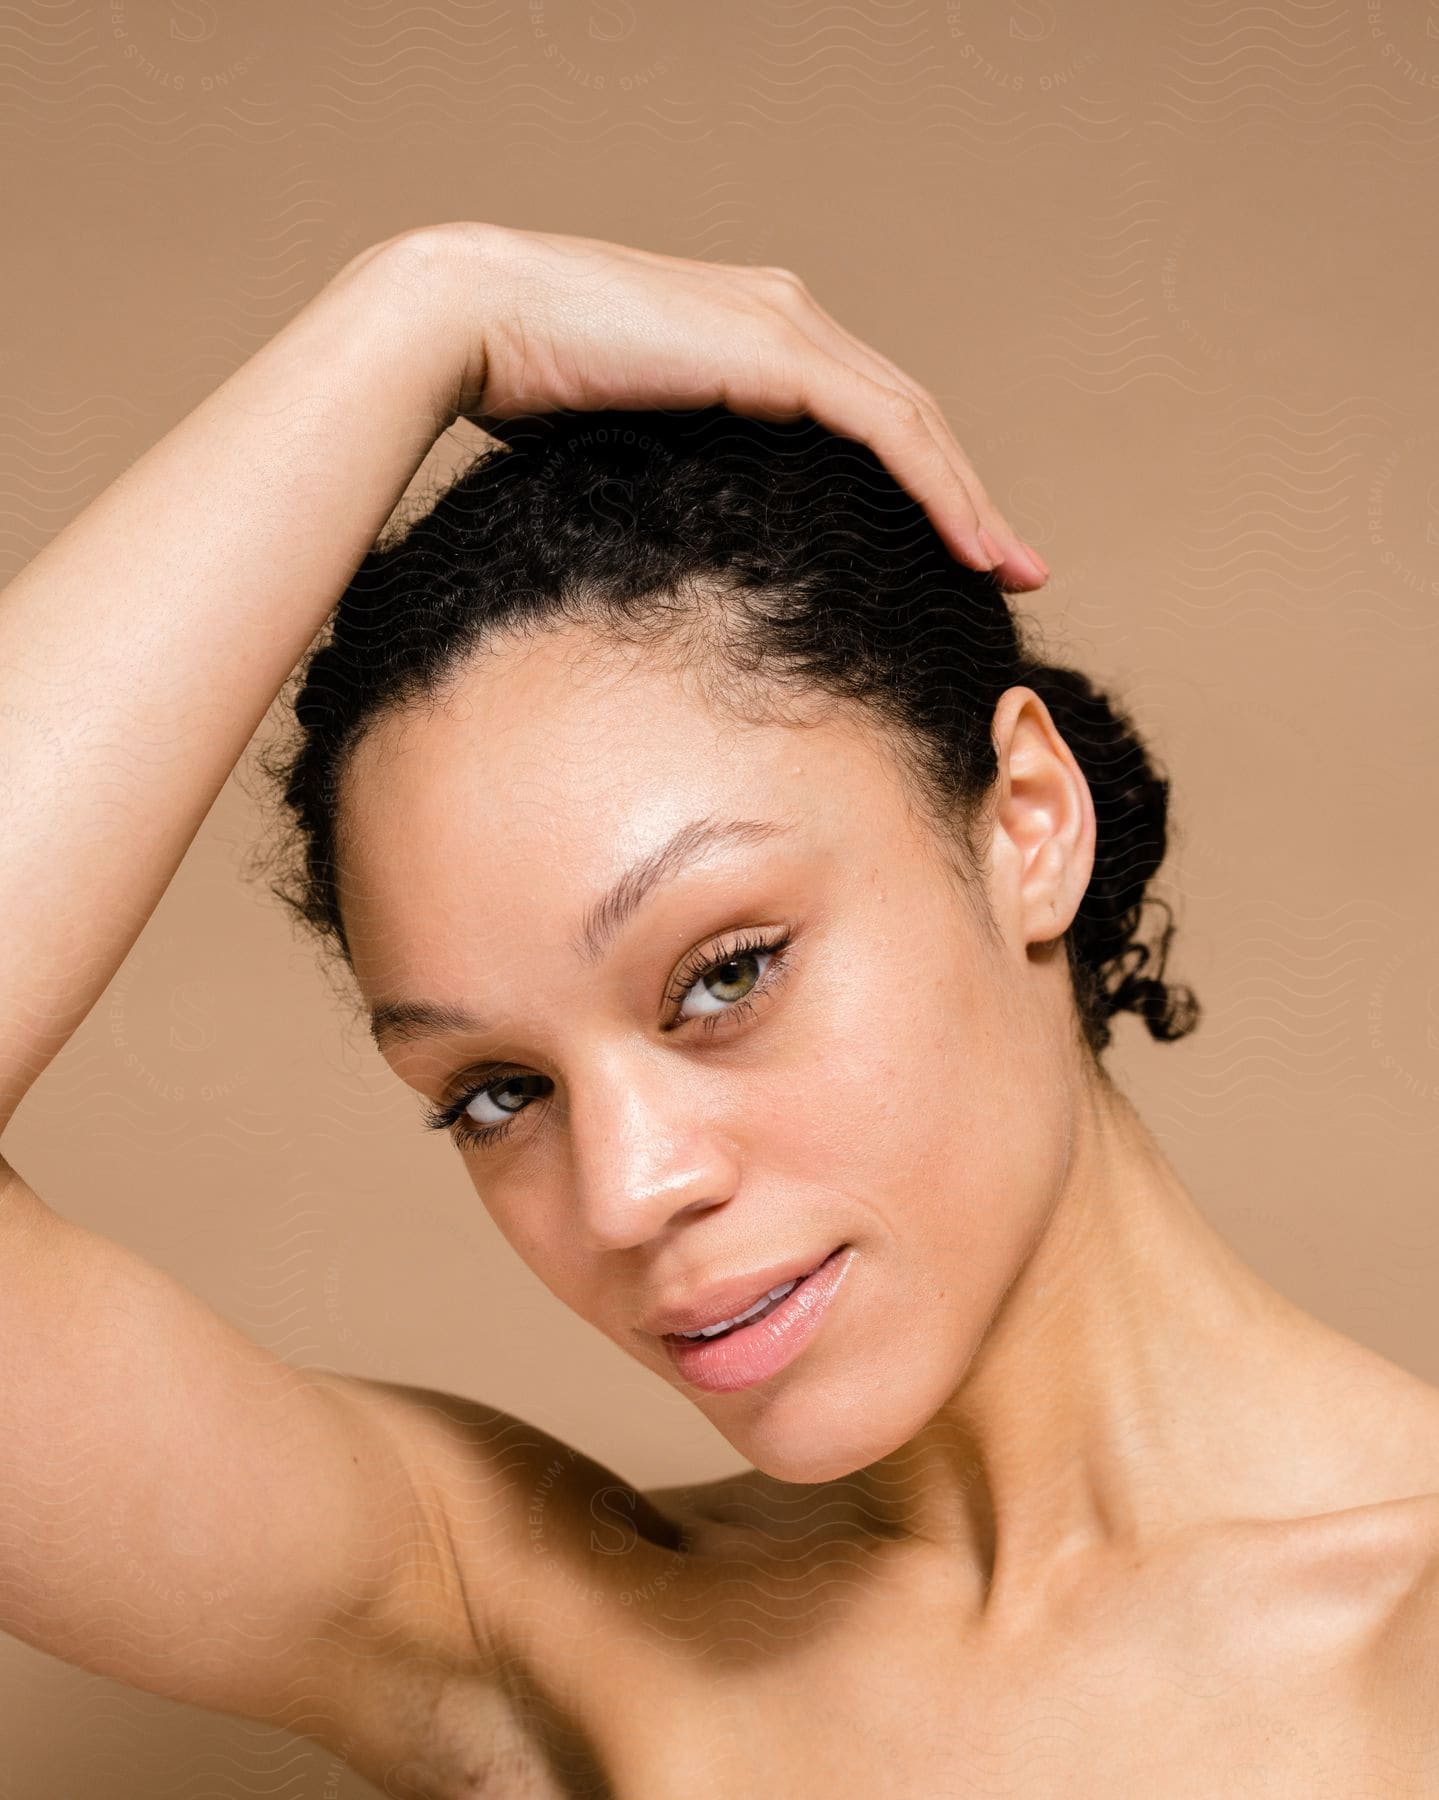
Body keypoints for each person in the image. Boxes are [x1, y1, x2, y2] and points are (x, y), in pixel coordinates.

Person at [1, 222, 1435, 1799]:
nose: (627, 1191)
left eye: (724, 975)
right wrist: (415, 315)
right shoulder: (531, 1628)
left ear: (1026, 820)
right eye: (496, 1090)